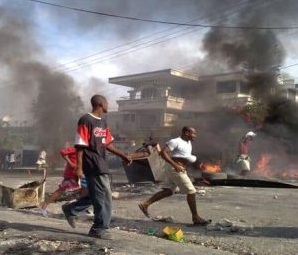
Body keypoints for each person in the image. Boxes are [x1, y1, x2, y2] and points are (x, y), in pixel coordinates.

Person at [62, 94, 131, 239]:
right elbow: (80, 145)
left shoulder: (103, 123)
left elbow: (107, 144)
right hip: (91, 163)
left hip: (101, 162)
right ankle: (99, 229)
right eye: (107, 102)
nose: (108, 104)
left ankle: (71, 209)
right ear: (100, 103)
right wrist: (79, 167)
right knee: (105, 196)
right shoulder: (86, 120)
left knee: (97, 195)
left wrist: (122, 155)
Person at [138, 126, 211, 226]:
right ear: (186, 133)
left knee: (168, 191)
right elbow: (163, 153)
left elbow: (182, 156)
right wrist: (175, 165)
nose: (195, 135)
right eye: (193, 133)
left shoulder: (188, 143)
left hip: (178, 169)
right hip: (175, 169)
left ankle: (145, 204)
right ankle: (196, 217)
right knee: (191, 191)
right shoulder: (175, 141)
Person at [38, 147, 89, 216]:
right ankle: (43, 206)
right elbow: (63, 152)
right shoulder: (77, 148)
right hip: (71, 173)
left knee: (85, 190)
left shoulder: (88, 150)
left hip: (82, 174)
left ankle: (81, 208)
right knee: (61, 190)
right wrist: (70, 163)